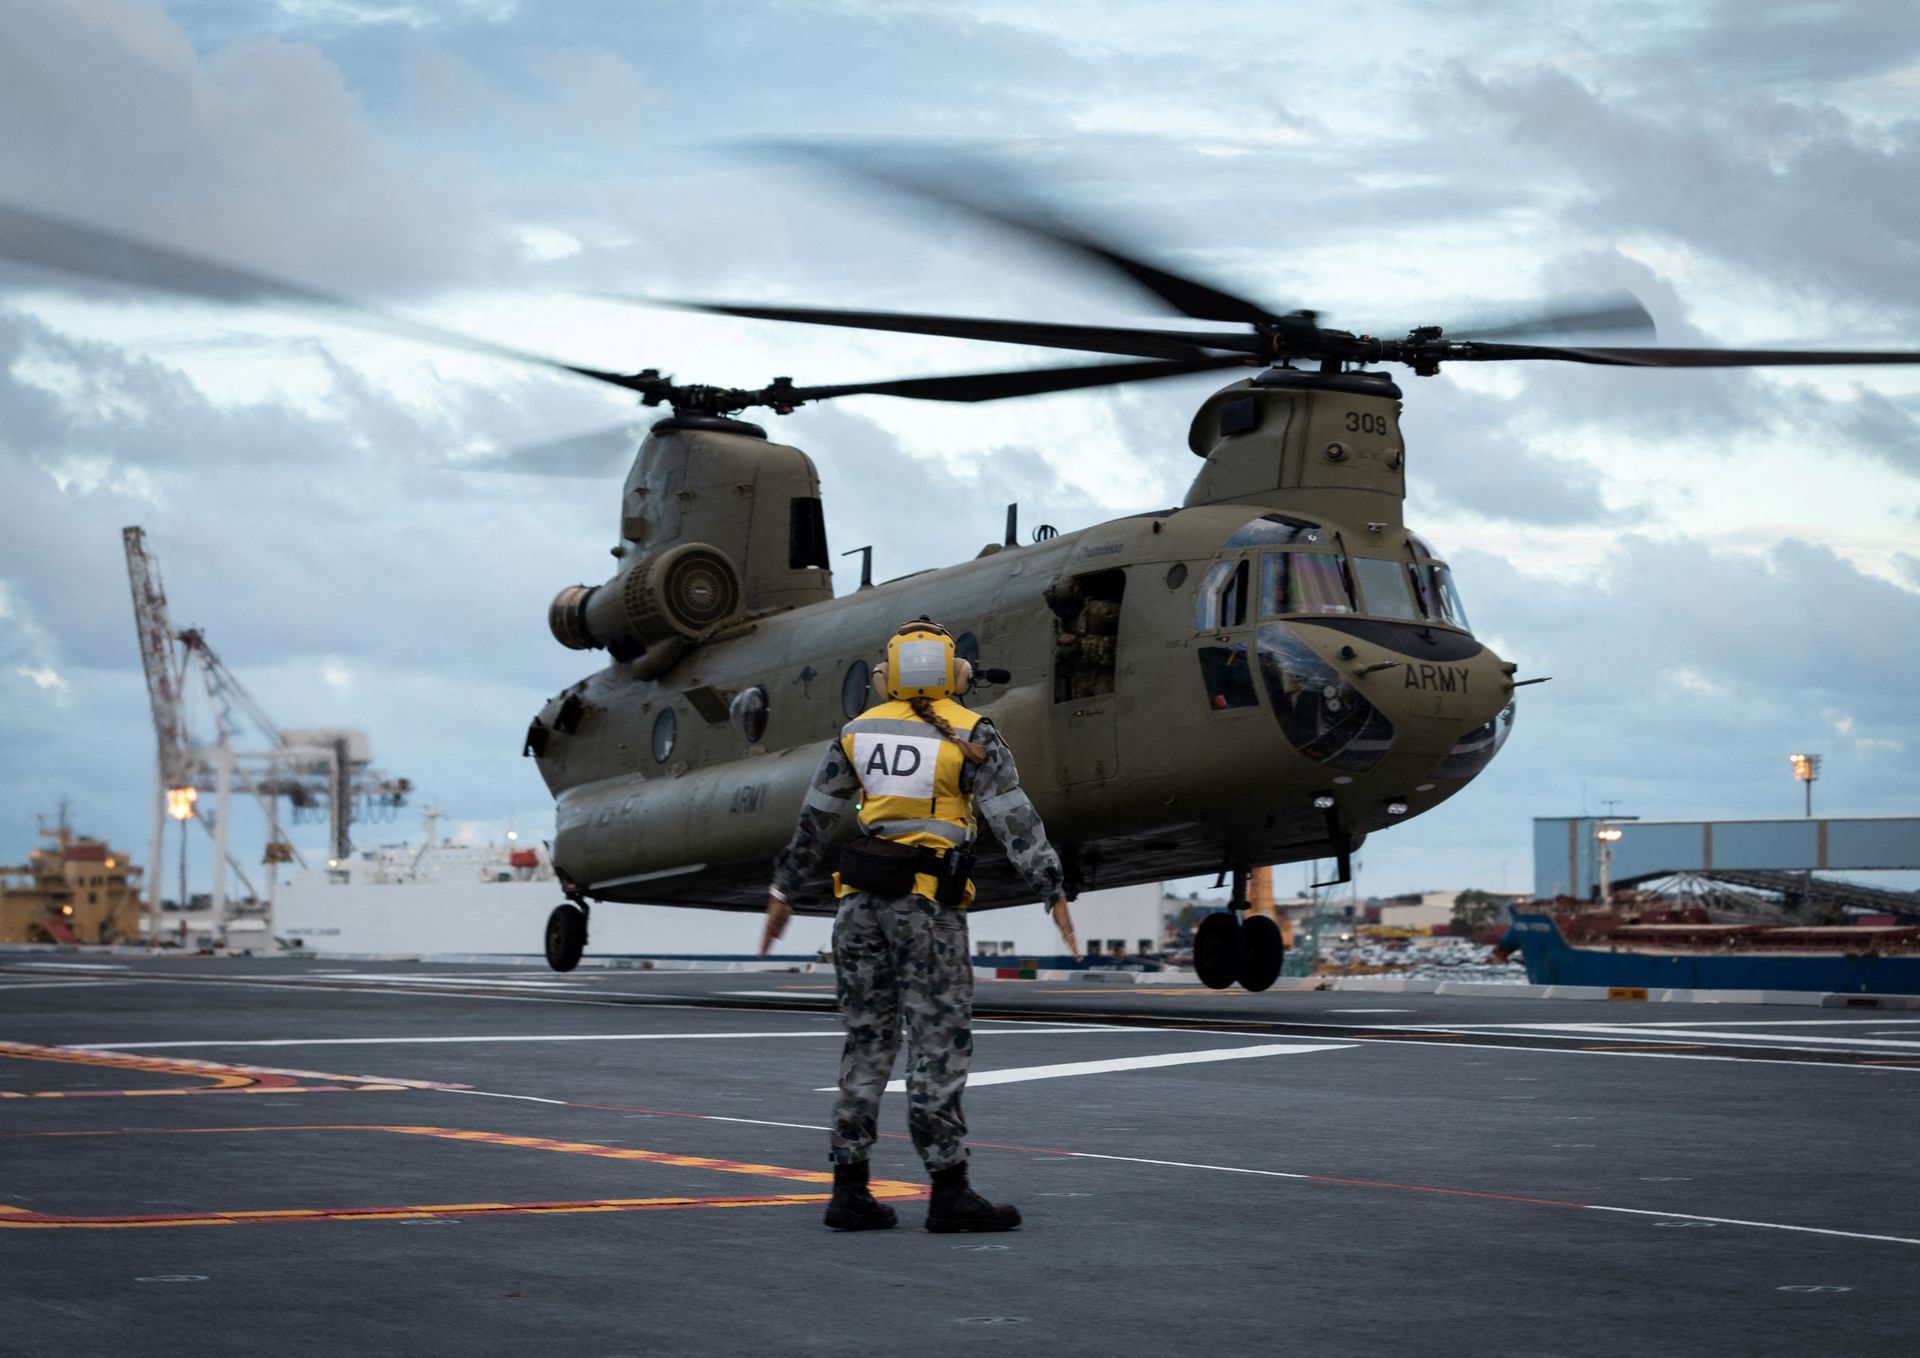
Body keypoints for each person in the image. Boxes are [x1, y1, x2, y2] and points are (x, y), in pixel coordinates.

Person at [762, 618, 1079, 1233]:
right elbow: (1014, 819)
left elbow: (814, 820)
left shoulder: (857, 733)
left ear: (887, 676)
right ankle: (948, 1190)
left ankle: (849, 1189)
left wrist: (783, 890)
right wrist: (1052, 889)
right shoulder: (971, 734)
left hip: (857, 908)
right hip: (926, 909)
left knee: (867, 1042)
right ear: (956, 673)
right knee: (938, 1043)